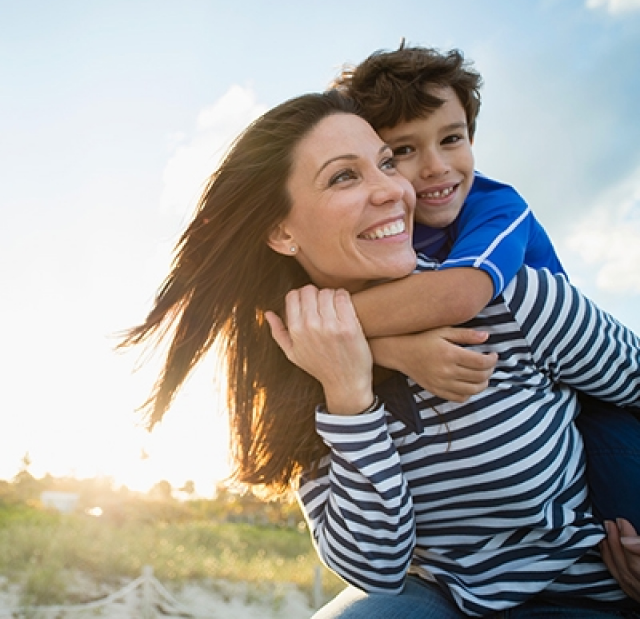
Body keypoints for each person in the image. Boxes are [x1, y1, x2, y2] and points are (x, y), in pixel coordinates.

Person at [120, 90, 640, 616]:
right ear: (281, 231)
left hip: (580, 593)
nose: (394, 190)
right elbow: (375, 568)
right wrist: (349, 396)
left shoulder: (511, 299)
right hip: (435, 597)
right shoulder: (298, 367)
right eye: (344, 176)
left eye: (386, 164)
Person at [331, 42, 640, 530]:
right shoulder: (389, 230)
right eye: (405, 150)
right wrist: (399, 352)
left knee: (623, 532)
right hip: (515, 429)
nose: (436, 166)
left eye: (452, 139)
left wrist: (349, 336)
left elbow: (460, 296)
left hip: (590, 403)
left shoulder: (497, 207)